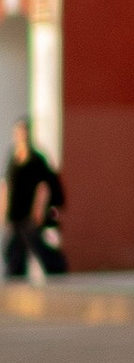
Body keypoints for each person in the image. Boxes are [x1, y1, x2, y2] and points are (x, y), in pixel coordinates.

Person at [4, 120, 63, 279]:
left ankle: (58, 269)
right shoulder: (13, 159)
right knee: (14, 249)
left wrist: (38, 210)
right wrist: (4, 211)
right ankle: (15, 278)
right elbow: (7, 185)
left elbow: (44, 187)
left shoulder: (36, 159)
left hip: (31, 214)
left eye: (23, 132)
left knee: (36, 245)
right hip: (16, 213)